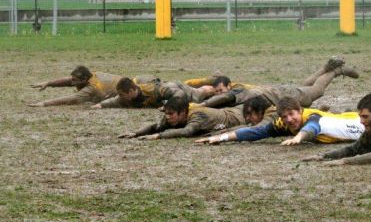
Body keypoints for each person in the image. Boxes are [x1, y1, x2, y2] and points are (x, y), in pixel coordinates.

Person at [198, 56, 359, 109]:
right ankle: (326, 67)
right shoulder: (240, 90)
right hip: (279, 91)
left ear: (229, 86)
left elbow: (224, 98)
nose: (220, 94)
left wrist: (202, 105)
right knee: (305, 86)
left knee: (317, 90)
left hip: (284, 96)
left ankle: (338, 70)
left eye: (221, 90)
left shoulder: (236, 92)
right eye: (217, 91)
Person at [196, 96, 364, 146]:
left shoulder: (311, 117)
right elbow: (256, 132)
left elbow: (312, 127)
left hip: (357, 122)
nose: (289, 120)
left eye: (292, 114)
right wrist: (220, 138)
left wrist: (298, 138)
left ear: (300, 110)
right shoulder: (284, 123)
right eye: (285, 116)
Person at [119, 97, 245, 140]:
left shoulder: (197, 115)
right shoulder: (171, 116)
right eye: (166, 113)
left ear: (183, 113)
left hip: (239, 115)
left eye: (171, 114)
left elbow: (187, 132)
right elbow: (156, 127)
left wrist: (158, 136)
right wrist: (135, 133)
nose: (168, 117)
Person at [28, 65, 156, 107]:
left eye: (75, 80)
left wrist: (44, 103)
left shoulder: (92, 88)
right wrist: (49, 83)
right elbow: (68, 80)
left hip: (134, 88)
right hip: (134, 81)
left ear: (84, 79)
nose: (71, 82)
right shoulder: (91, 75)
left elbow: (72, 99)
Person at [92, 77, 212, 109]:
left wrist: (169, 106)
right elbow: (114, 101)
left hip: (178, 89)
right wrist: (100, 105)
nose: (120, 97)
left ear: (131, 91)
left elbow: (178, 94)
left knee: (201, 93)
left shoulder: (155, 90)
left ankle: (217, 87)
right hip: (171, 91)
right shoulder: (126, 97)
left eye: (123, 94)